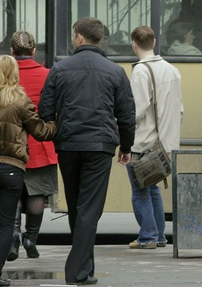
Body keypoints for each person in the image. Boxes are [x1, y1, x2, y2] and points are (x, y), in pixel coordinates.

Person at [39, 17, 135, 286]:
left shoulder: (59, 69)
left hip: (68, 146)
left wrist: (59, 132)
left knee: (76, 208)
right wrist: (126, 147)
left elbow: (45, 111)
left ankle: (85, 267)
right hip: (100, 147)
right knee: (89, 210)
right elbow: (126, 115)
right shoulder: (115, 71)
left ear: (79, 37)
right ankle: (78, 272)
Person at [0, 55, 57, 286]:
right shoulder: (20, 101)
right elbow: (40, 131)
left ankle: (16, 233)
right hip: (12, 168)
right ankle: (28, 237)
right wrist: (56, 124)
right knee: (4, 223)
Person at [128, 26, 183, 249]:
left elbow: (137, 110)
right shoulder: (172, 70)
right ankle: (159, 235)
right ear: (154, 42)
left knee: (139, 189)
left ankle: (148, 236)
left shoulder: (141, 71)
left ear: (134, 44)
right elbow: (180, 109)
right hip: (164, 142)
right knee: (153, 188)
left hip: (144, 140)